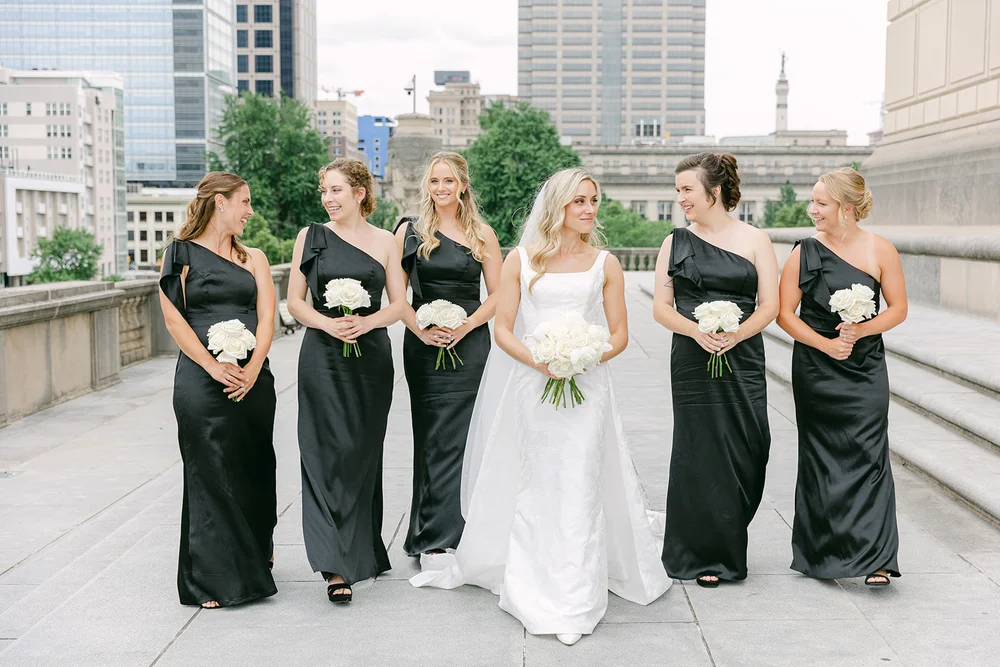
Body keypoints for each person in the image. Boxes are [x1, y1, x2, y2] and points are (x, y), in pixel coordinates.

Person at [411, 169, 671, 646]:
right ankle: (532, 576)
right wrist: (544, 361)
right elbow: (503, 329)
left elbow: (619, 336)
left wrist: (583, 357)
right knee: (539, 477)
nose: (590, 209)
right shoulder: (521, 260)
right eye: (580, 202)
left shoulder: (606, 264)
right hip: (533, 386)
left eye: (594, 200)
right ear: (557, 207)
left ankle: (575, 589)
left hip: (588, 388)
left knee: (579, 478)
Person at [777, 167, 907, 586]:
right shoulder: (804, 252)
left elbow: (898, 308)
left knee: (869, 455)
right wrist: (825, 343)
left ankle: (878, 556)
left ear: (846, 209)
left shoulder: (880, 249)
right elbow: (783, 314)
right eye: (812, 201)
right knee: (820, 458)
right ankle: (822, 554)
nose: (812, 209)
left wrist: (861, 329)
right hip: (817, 369)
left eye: (820, 203)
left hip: (866, 367)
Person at [653, 153, 778, 588]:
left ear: (715, 191)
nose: (680, 198)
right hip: (692, 359)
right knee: (699, 451)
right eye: (678, 191)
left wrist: (737, 334)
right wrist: (696, 332)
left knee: (750, 447)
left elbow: (771, 306)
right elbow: (660, 308)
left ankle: (728, 530)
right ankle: (702, 553)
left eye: (687, 190)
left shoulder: (756, 240)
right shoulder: (674, 242)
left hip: (743, 357)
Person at [287, 158, 406, 603]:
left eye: (336, 190)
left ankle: (362, 551)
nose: (328, 199)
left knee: (360, 453)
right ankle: (334, 565)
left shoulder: (387, 242)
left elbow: (399, 305)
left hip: (370, 361)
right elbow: (294, 302)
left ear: (360, 193)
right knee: (322, 455)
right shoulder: (310, 237)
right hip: (321, 357)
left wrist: (368, 322)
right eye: (324, 191)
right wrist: (327, 323)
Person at [158, 172, 277, 608]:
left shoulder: (256, 258)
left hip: (253, 380)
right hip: (200, 380)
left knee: (253, 465)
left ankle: (255, 551)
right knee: (208, 471)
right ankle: (211, 578)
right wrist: (212, 366)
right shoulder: (179, 254)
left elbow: (267, 317)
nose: (249, 211)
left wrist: (253, 368)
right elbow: (174, 320)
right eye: (244, 202)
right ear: (220, 203)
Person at [394, 152, 502, 559]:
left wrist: (466, 326)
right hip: (423, 348)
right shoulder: (410, 232)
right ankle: (429, 533)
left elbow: (500, 294)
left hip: (471, 343)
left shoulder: (481, 234)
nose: (441, 188)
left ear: (463, 186)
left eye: (449, 181)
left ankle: (457, 532)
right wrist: (422, 331)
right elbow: (396, 294)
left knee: (464, 437)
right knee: (431, 436)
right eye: (434, 181)